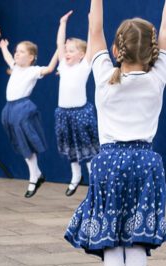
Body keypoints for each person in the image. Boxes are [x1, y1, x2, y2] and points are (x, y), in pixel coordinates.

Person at [65, 0, 166, 266]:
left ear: (116, 49)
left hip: (109, 162)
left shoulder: (103, 74)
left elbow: (94, 28)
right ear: (152, 50)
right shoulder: (158, 76)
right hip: (145, 161)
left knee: (111, 239)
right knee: (138, 238)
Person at [0, 37, 58, 197]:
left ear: (31, 57)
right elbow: (8, 58)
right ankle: (36, 174)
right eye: (16, 51)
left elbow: (50, 68)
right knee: (20, 142)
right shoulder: (15, 67)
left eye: (21, 52)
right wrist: (4, 47)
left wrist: (59, 49)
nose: (16, 54)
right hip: (9, 108)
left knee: (26, 142)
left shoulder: (33, 70)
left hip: (22, 108)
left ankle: (33, 177)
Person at [55, 10, 99, 196]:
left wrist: (91, 23)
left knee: (87, 147)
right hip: (63, 112)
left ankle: (94, 179)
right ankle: (75, 176)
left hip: (80, 112)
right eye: (66, 50)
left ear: (81, 54)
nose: (66, 53)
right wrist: (62, 23)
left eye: (71, 51)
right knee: (70, 147)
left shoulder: (84, 66)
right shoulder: (63, 66)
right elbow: (59, 44)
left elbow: (91, 45)